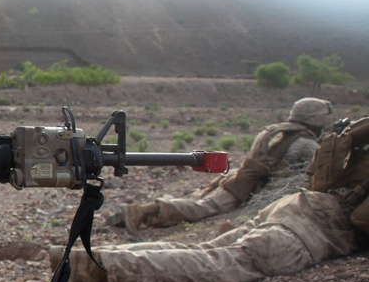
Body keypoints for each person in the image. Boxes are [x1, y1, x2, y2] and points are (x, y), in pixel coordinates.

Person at [51, 114, 369, 282]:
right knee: (221, 262)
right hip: (314, 228)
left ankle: (89, 261)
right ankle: (97, 270)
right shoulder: (301, 141)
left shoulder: (285, 133)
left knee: (206, 250)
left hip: (298, 206)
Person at [110, 97, 336, 231]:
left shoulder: (276, 131)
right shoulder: (305, 144)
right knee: (202, 208)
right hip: (245, 187)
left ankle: (144, 212)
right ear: (315, 119)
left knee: (199, 203)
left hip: (238, 178)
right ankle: (138, 212)